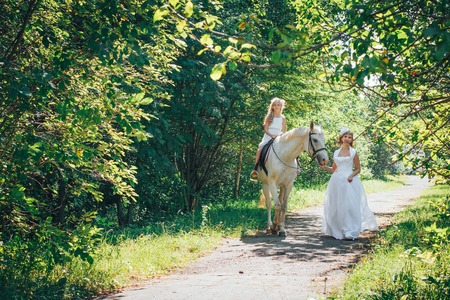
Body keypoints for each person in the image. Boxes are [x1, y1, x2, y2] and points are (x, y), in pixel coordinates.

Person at [319, 127, 378, 240]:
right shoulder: (336, 152)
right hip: (336, 181)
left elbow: (358, 169)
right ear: (341, 138)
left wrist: (351, 175)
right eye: (345, 136)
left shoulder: (353, 152)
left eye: (349, 137)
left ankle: (349, 229)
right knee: (336, 205)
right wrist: (325, 167)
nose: (347, 139)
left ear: (351, 140)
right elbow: (334, 169)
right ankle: (338, 228)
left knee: (348, 206)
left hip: (348, 181)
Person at [250, 97, 287, 179]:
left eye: (278, 105)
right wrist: (271, 135)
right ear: (272, 107)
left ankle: (293, 167)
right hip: (269, 135)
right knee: (261, 147)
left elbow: (284, 131)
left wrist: (280, 136)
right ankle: (256, 168)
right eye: (275, 105)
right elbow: (265, 129)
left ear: (281, 107)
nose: (277, 107)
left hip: (279, 135)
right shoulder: (269, 116)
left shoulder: (283, 118)